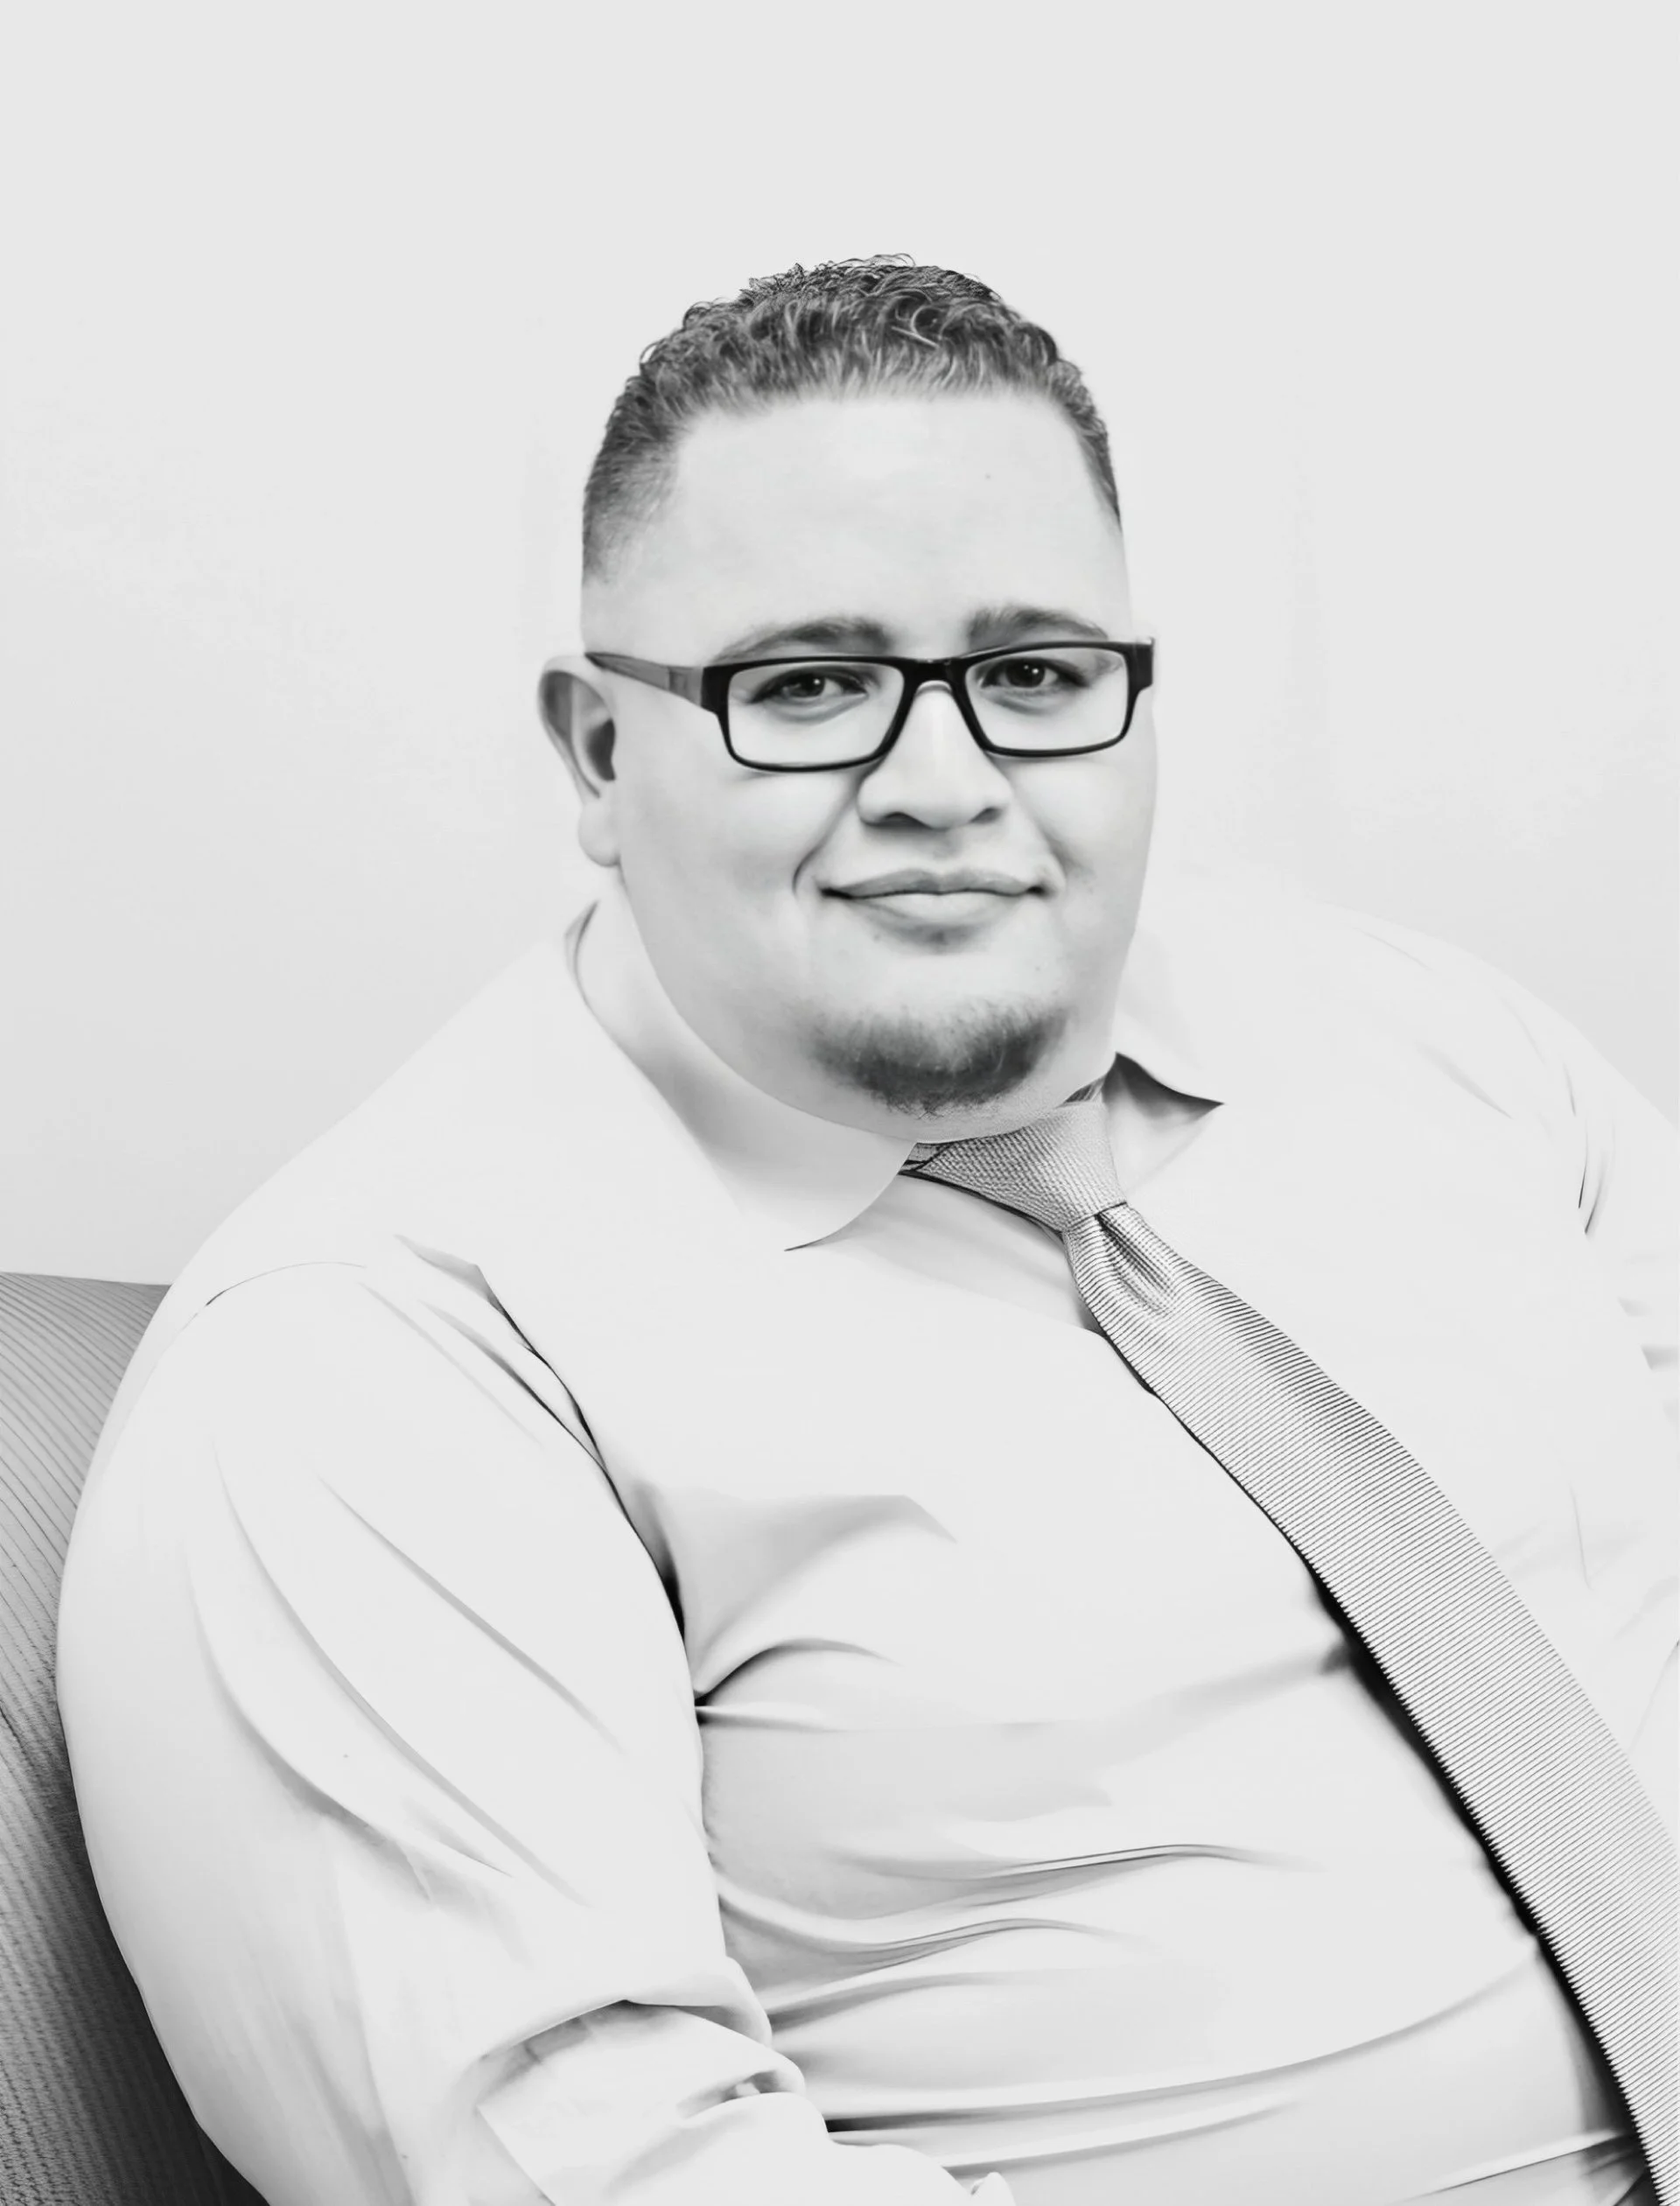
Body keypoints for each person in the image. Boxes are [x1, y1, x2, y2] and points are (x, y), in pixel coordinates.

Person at [58, 259, 1676, 2206]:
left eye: (1036, 676)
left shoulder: (1427, 1045)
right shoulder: (378, 1359)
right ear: (596, 752)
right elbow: (597, 2167)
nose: (942, 783)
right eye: (809, 687)